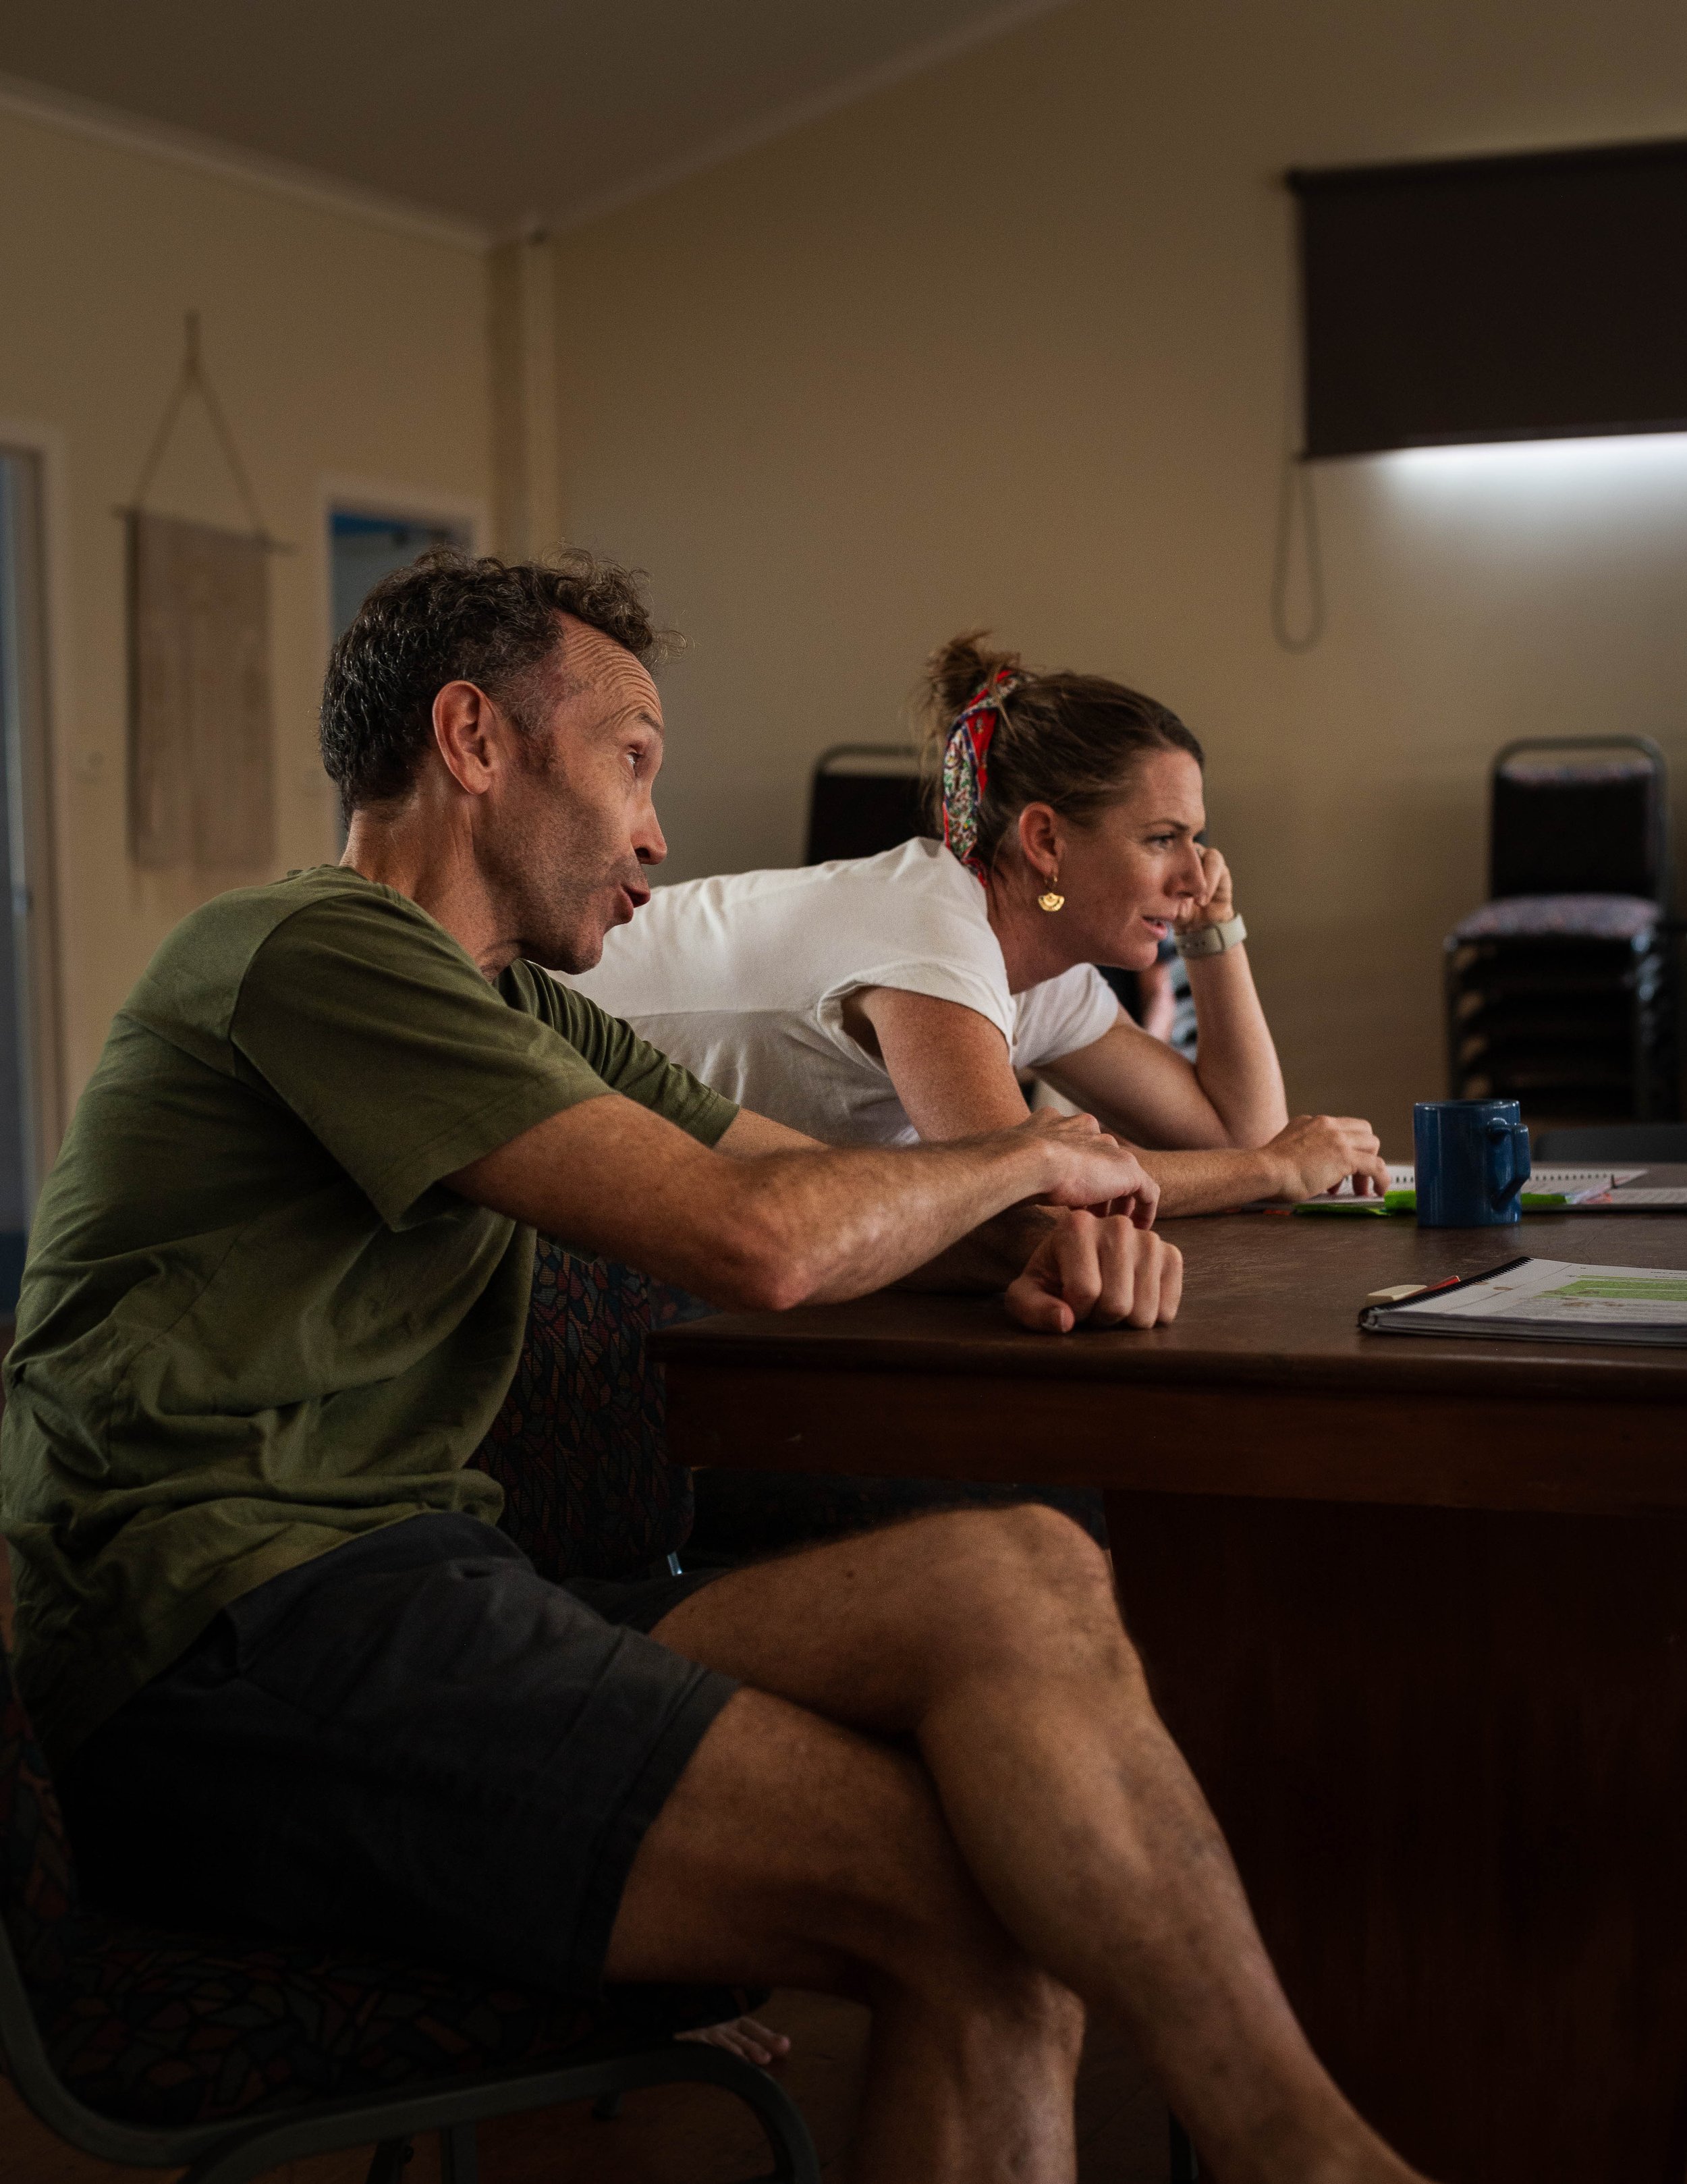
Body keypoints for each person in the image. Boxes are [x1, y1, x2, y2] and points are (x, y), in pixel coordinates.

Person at [1, 550, 1431, 2184]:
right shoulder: (315, 949)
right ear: (474, 741)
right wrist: (1037, 1172)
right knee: (973, 1907)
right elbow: (765, 1242)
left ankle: (1303, 2151)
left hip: (416, 1587)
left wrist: (1032, 1240)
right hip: (220, 1644)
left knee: (1021, 1573)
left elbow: (787, 1177)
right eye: (630, 759)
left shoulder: (524, 1009)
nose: (658, 833)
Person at [568, 632, 1389, 1214]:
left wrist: (1212, 934)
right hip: (533, 1048)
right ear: (1044, 840)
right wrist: (1272, 1171)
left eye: (1197, 838)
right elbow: (1024, 1192)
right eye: (1162, 839)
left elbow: (1235, 1133)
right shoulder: (933, 937)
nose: (1195, 871)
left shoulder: (1042, 970)